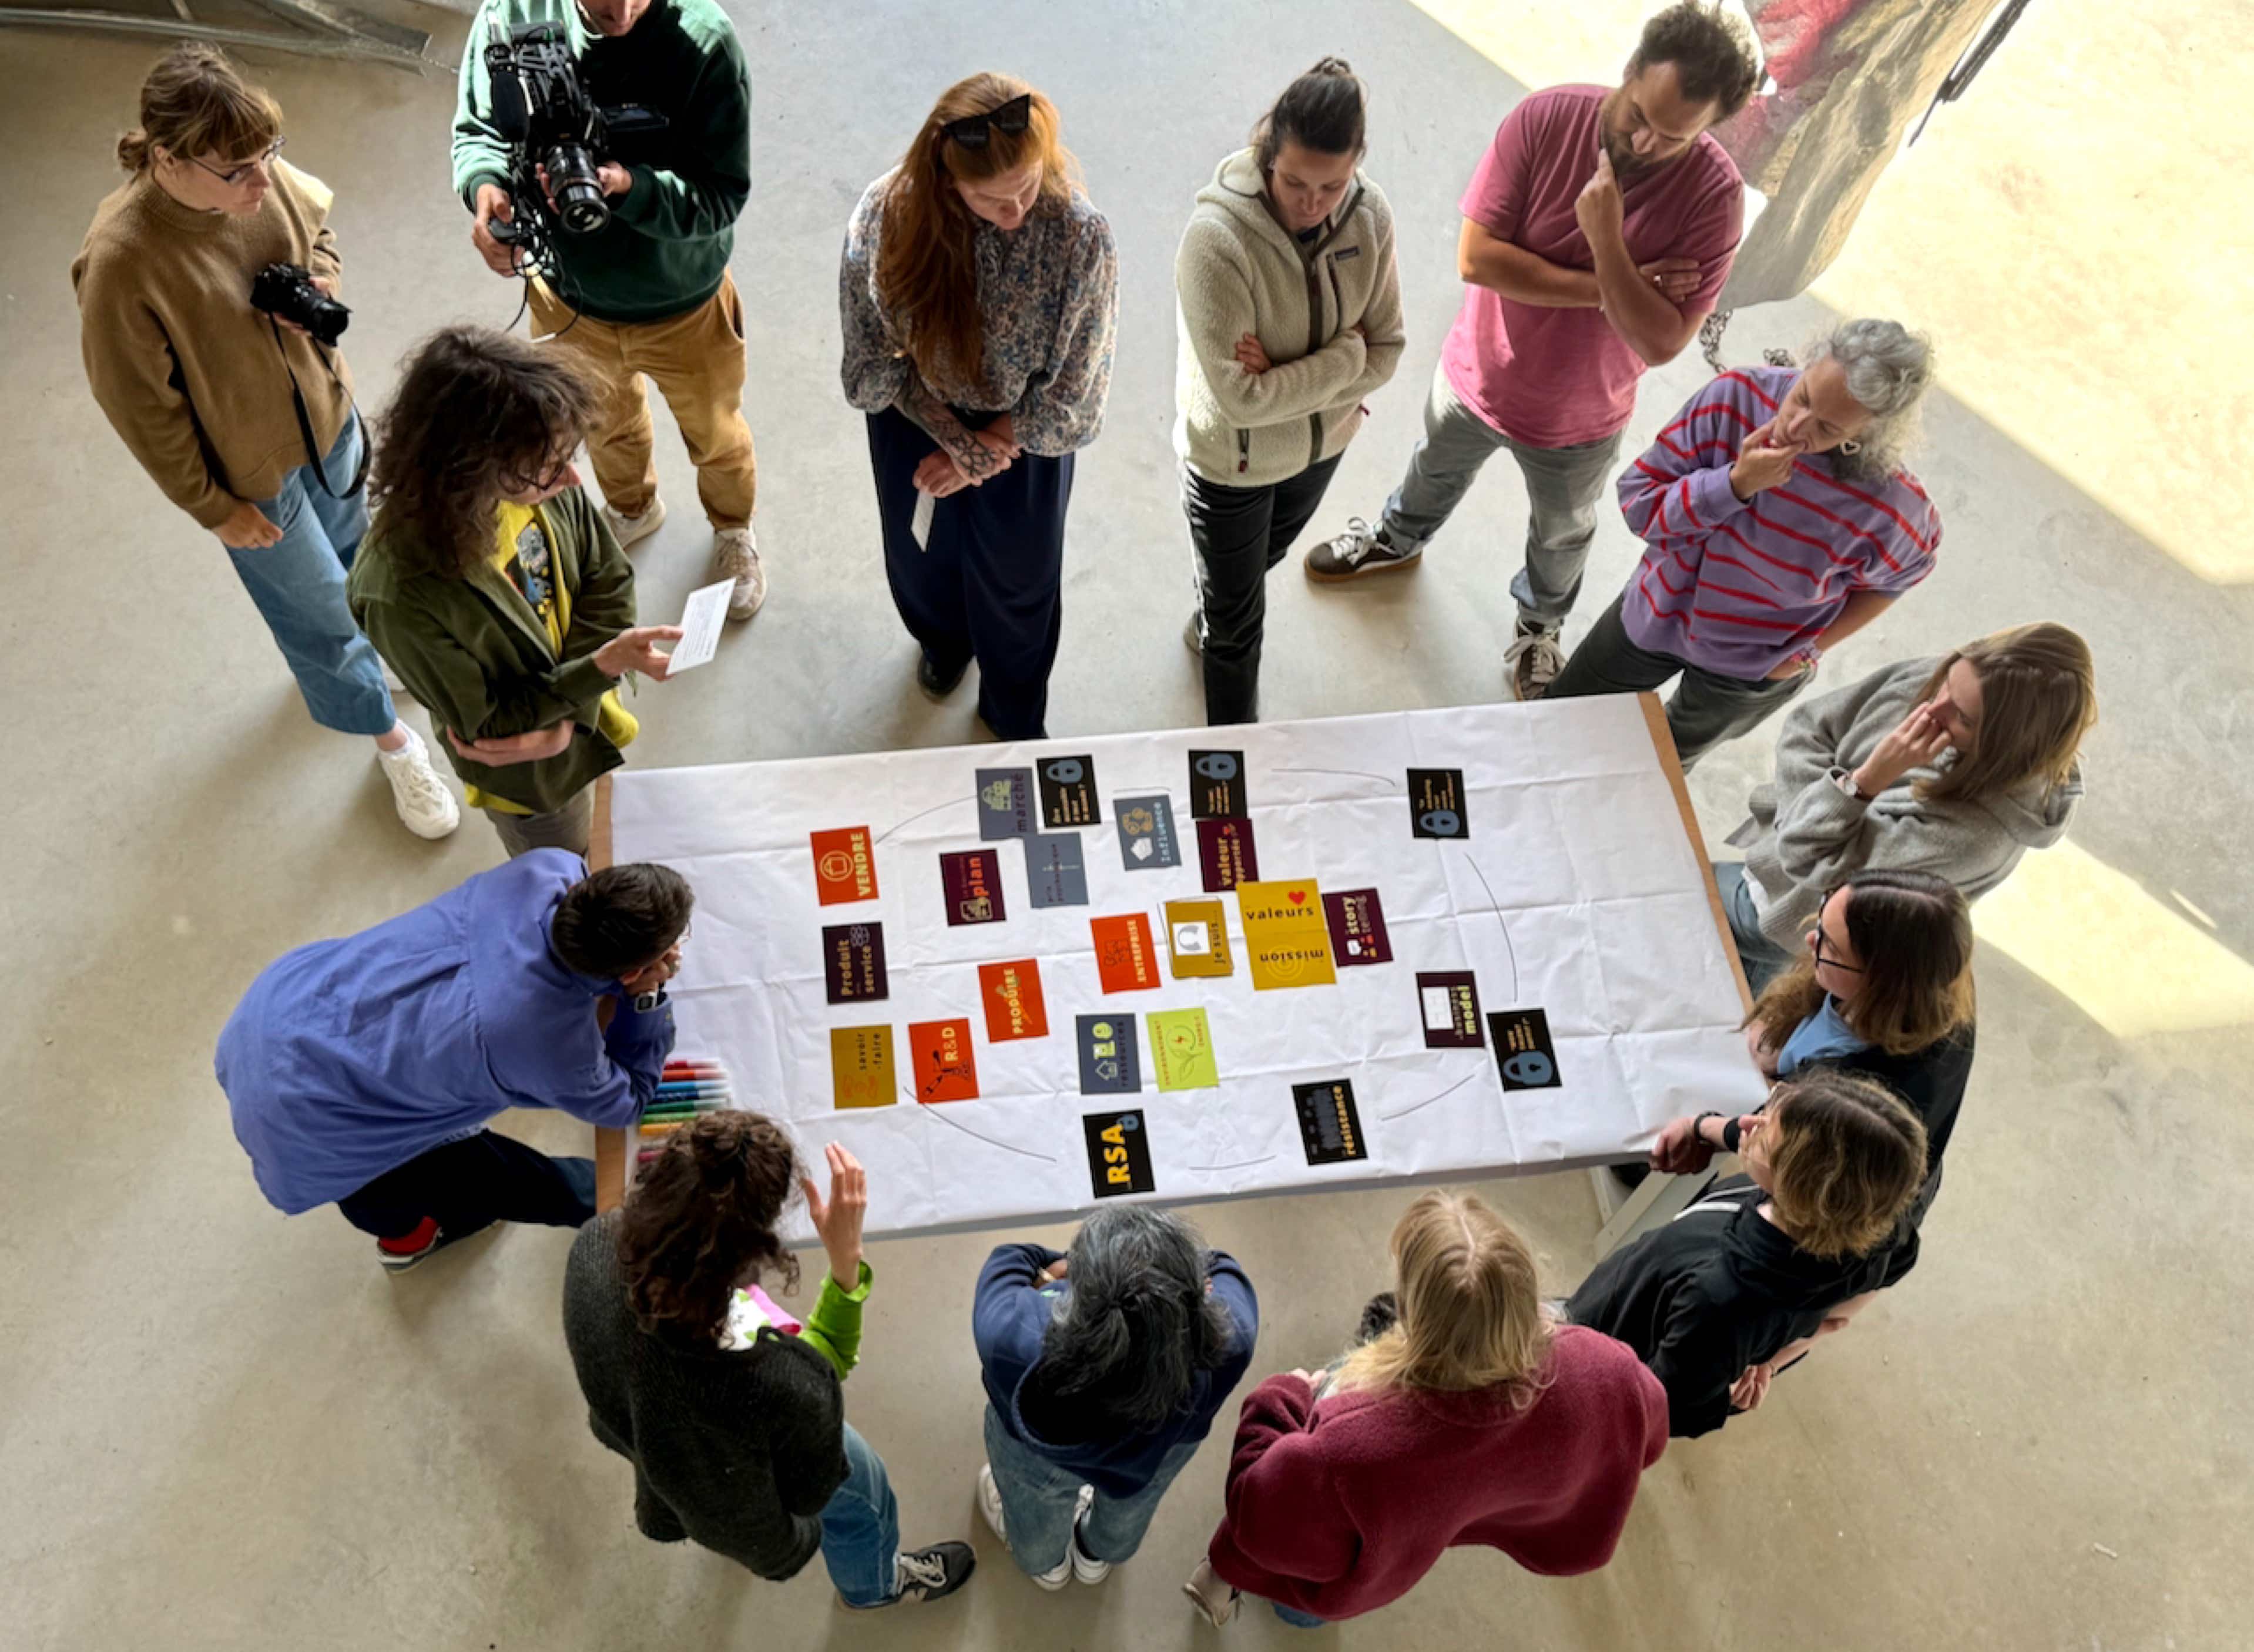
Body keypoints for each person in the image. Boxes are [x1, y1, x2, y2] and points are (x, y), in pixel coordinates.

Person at [1303, 1, 1759, 703]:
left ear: (1709, 128)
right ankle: (1397, 538)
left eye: (1674, 137)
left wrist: (1606, 237)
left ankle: (1540, 625)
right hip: (1475, 374)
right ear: (1630, 70)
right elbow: (1479, 259)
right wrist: (1624, 284)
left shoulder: (1713, 198)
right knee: (1432, 467)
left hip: (1582, 417)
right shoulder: (1544, 119)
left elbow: (1663, 340)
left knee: (1562, 533)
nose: (1643, 142)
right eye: (1639, 114)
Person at [72, 42, 458, 840]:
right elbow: (143, 411)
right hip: (249, 477)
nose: (262, 182)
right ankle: (391, 742)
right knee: (316, 610)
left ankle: (383, 659)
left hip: (328, 423)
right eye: (238, 171)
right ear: (171, 161)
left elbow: (322, 236)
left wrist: (320, 286)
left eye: (267, 157)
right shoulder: (121, 263)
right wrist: (213, 509)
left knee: (363, 562)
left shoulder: (255, 166)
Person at [1185, 1191, 1668, 1627]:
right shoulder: (1606, 1365)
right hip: (1428, 1529)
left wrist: (1281, 1396)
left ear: (1412, 1313)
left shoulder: (1348, 1439)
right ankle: (1297, 1614)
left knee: (1308, 1572)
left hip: (1348, 1531)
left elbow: (1258, 1515)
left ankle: (1276, 1601)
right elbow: (1650, 1431)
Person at [563, 1113, 977, 1609]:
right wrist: (846, 1265)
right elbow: (806, 1491)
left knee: (710, 1484)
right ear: (756, 1252)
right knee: (866, 1497)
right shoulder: (775, 1384)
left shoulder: (594, 1244)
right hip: (721, 1466)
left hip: (643, 1434)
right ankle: (874, 1588)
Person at [214, 855, 689, 1270]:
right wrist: (645, 1000)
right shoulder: (549, 1047)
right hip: (313, 1126)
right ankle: (409, 1242)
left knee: (426, 1169)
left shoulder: (545, 869)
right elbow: (627, 1101)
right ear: (631, 970)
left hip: (284, 1007)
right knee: (501, 1181)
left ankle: (405, 1231)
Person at [453, 0, 766, 622]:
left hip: (684, 306)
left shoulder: (704, 43)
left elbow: (721, 195)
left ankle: (733, 531)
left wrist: (630, 187)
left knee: (716, 434)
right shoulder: (511, 14)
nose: (618, 10)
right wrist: (485, 190)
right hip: (568, 301)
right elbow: (480, 130)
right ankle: (631, 507)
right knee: (603, 426)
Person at [840, 73, 1119, 740]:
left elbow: (1076, 394)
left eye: (1029, 185)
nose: (1017, 211)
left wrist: (984, 450)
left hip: (1025, 432)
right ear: (946, 181)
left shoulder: (1081, 238)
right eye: (991, 200)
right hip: (914, 416)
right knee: (920, 559)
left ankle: (1013, 708)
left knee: (1020, 585)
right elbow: (871, 369)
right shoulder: (885, 219)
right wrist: (955, 443)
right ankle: (943, 644)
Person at [348, 327, 683, 859]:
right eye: (551, 466)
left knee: (603, 822)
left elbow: (606, 576)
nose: (573, 479)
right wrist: (595, 673)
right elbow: (489, 724)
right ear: (470, 467)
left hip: (560, 738)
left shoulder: (531, 474)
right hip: (534, 783)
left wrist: (573, 714)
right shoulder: (400, 595)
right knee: (559, 870)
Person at [1547, 319, 1941, 768]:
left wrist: (1808, 651)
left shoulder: (1894, 507)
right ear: (1808, 364)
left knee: (1662, 765)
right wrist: (1734, 485)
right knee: (1562, 716)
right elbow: (1641, 506)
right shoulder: (1735, 399)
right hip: (1655, 611)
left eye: (1828, 429)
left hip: (1752, 668)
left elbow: (1896, 580)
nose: (1795, 426)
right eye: (1802, 397)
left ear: (1869, 434)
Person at [1173, 58, 1405, 724]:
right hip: (1231, 464)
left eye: (1332, 186)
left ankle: (1215, 604)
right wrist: (1344, 355)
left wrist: (1284, 370)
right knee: (1238, 630)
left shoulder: (1371, 216)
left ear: (1355, 165)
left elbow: (1387, 349)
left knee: (1261, 560)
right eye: (1294, 181)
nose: (1310, 203)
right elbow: (1238, 401)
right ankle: (1234, 751)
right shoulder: (1215, 243)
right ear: (1266, 153)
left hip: (1322, 445)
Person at [1717, 621, 2098, 989]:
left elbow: (1808, 862)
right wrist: (1804, 817)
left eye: (1963, 718)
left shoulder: (1975, 838)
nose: (1933, 709)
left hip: (1784, 919)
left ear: (2007, 742)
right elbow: (1808, 727)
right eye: (1948, 682)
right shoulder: (1956, 684)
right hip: (1769, 862)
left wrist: (1864, 782)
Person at [1651, 868, 1974, 1287]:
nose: (1810, 942)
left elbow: (1773, 1143)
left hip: (1833, 1191)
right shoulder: (1935, 982)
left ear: (1882, 982)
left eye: (1830, 948)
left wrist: (1701, 1126)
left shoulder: (1856, 1089)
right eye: (1821, 920)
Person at [1566, 1066, 1927, 1436]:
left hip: (1607, 1348)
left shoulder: (1720, 1298)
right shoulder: (1874, 1224)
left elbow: (1659, 1409)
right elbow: (1837, 1319)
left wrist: (1744, 1352)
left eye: (1767, 1140)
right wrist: (1768, 1357)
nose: (1752, 1125)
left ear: (1802, 1187)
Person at [973, 1208, 1257, 1589]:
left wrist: (1069, 1265)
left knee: (1033, 1500)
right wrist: (1168, 1273)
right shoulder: (1231, 1338)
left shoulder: (1012, 1337)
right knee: (1136, 1499)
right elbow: (1221, 1265)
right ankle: (1098, 1556)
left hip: (1037, 1449)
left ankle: (1046, 1565)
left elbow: (1011, 1259)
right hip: (1161, 1447)